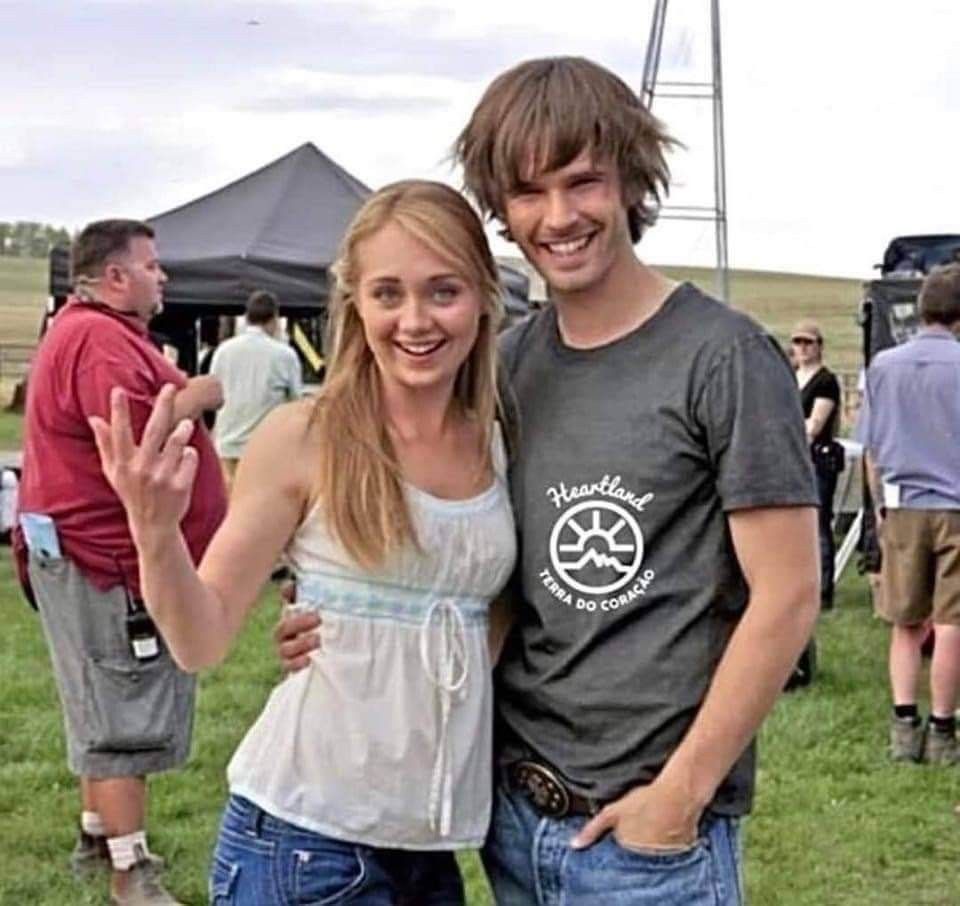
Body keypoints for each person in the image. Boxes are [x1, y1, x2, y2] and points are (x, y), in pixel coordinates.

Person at [279, 57, 820, 904]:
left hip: (648, 845)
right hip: (512, 819)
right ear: (500, 207)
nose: (559, 217)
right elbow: (473, 568)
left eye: (584, 183)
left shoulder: (724, 357)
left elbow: (787, 596)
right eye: (529, 192)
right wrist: (340, 626)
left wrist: (679, 797)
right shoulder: (505, 365)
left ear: (632, 182)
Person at [89, 182, 516, 905]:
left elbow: (490, 612)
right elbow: (201, 639)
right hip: (303, 841)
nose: (414, 320)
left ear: (482, 297)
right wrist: (155, 533)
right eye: (387, 294)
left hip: (429, 851)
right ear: (355, 304)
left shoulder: (502, 442)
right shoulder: (305, 437)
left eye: (442, 291)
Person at [13, 219, 227, 905]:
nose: (162, 277)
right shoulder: (100, 342)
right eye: (152, 265)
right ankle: (130, 874)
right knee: (121, 709)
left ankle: (95, 834)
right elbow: (141, 439)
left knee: (97, 695)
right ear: (115, 277)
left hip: (83, 551)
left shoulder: (89, 332)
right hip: (102, 557)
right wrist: (200, 393)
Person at [859, 262, 960, 765]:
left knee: (905, 622)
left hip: (900, 506)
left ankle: (903, 727)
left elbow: (871, 449)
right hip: (957, 509)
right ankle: (942, 730)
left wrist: (879, 507)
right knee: (951, 623)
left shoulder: (882, 366)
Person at [209, 290, 303, 492]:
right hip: (267, 448)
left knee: (230, 506)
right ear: (275, 319)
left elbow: (214, 394)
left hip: (227, 444)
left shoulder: (223, 351)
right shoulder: (284, 355)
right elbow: (296, 403)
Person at [792, 319, 842, 609]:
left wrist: (787, 427)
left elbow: (815, 424)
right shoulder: (790, 377)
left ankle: (824, 591)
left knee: (820, 524)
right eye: (798, 342)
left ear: (819, 346)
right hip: (795, 457)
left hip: (818, 458)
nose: (802, 348)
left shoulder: (826, 381)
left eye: (808, 342)